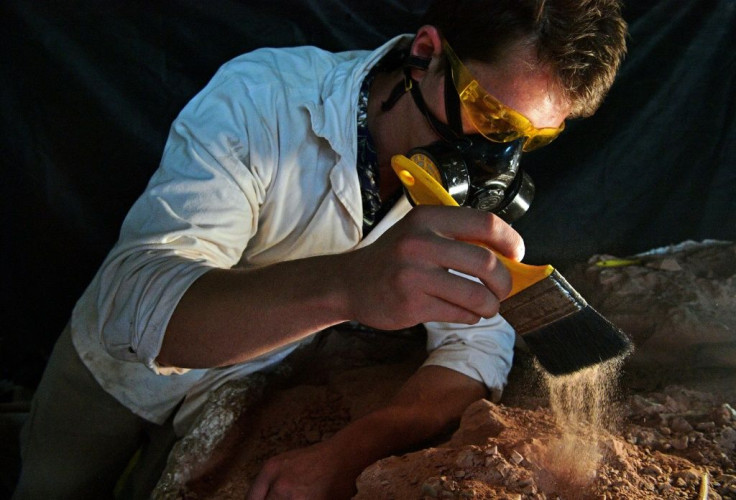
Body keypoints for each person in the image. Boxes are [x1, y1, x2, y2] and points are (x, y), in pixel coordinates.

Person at [14, 0, 627, 498]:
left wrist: (352, 449)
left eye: (533, 138)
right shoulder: (265, 98)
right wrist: (350, 285)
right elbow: (135, 305)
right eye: (489, 114)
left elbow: (476, 344)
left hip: (238, 391)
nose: (501, 159)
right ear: (427, 53)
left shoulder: (469, 183)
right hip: (115, 373)